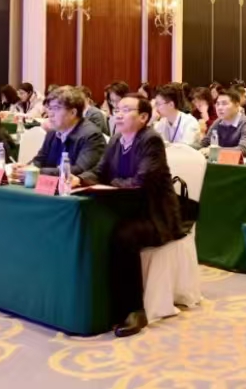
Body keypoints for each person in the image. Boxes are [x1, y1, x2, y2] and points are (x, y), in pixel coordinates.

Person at [78, 94, 185, 338]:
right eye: (117, 109)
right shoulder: (116, 139)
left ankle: (134, 310)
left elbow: (141, 180)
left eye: (126, 110)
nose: (119, 113)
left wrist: (112, 183)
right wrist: (79, 179)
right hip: (124, 208)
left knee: (123, 236)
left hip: (154, 214)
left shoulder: (151, 140)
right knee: (95, 227)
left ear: (144, 117)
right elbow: (100, 171)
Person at [19, 86, 106, 177]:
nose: (50, 114)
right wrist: (26, 168)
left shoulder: (91, 135)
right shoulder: (53, 132)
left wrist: (37, 172)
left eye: (56, 108)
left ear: (73, 112)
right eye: (50, 108)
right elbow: (39, 160)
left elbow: (79, 170)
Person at [197, 88, 246, 155]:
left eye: (224, 104)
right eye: (217, 104)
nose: (219, 108)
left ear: (237, 105)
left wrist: (216, 151)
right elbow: (204, 144)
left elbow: (244, 149)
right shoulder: (218, 122)